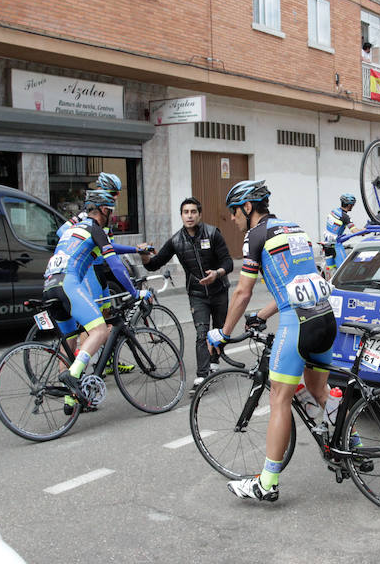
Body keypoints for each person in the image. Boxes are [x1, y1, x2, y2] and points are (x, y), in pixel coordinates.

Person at [208, 180, 337, 502]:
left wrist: (223, 334)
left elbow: (242, 291)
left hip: (299, 325)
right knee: (319, 390)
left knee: (278, 398)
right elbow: (301, 281)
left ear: (248, 208)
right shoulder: (295, 229)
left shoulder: (256, 235)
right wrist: (264, 314)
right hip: (324, 317)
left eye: (234, 213)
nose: (234, 220)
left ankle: (266, 482)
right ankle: (355, 445)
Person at [47, 190, 149, 407]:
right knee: (100, 330)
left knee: (68, 342)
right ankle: (73, 374)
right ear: (104, 210)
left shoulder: (71, 230)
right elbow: (115, 265)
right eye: (110, 211)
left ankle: (70, 401)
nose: (111, 215)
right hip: (69, 284)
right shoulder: (96, 229)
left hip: (49, 285)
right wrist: (135, 292)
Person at [139, 197, 233, 391]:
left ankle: (214, 362)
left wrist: (217, 274)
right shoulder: (176, 240)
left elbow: (228, 263)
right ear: (181, 215)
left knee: (219, 330)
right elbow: (153, 264)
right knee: (201, 333)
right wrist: (143, 255)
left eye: (193, 212)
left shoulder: (213, 233)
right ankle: (202, 376)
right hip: (197, 294)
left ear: (199, 214)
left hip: (219, 291)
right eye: (185, 212)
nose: (189, 216)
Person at [322, 193, 361, 275]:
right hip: (336, 245)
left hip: (326, 243)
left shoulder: (333, 211)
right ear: (350, 205)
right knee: (342, 270)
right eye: (353, 205)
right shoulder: (345, 217)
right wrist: (365, 230)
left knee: (331, 271)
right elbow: (355, 232)